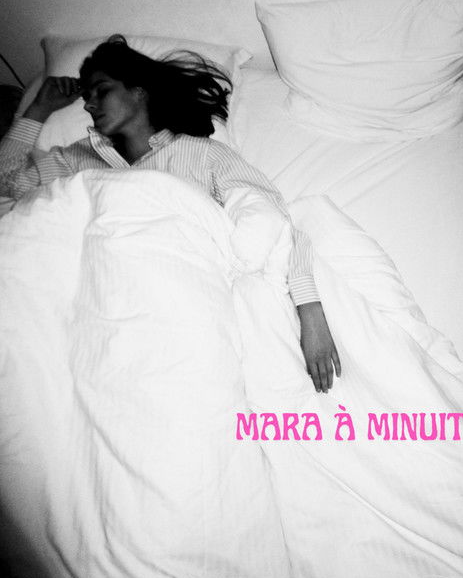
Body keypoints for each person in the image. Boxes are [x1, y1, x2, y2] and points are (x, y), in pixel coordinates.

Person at [0, 35, 340, 392]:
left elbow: (272, 221)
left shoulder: (201, 154)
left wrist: (311, 314)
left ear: (138, 91)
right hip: (99, 306)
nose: (88, 104)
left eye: (101, 91)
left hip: (185, 309)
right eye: (86, 96)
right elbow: (7, 184)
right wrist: (38, 110)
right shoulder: (77, 159)